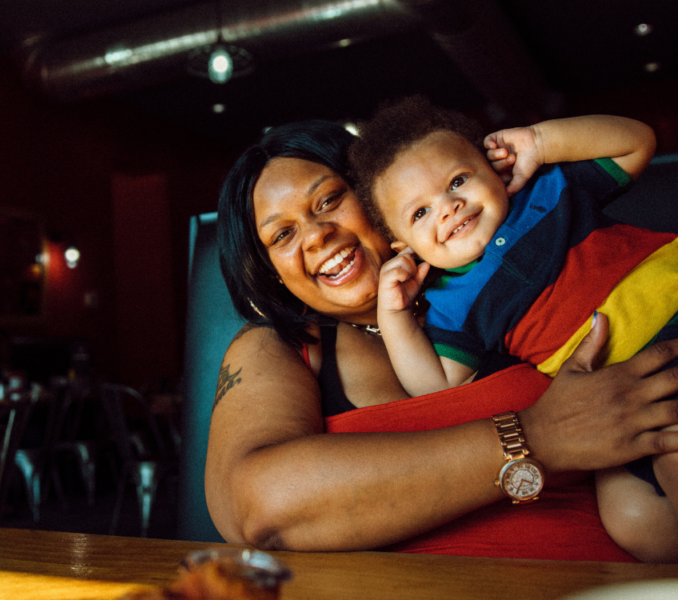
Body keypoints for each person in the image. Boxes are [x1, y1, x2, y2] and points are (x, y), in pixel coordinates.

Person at [206, 119, 678, 562]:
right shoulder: (279, 348)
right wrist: (539, 437)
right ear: (270, 272)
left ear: (378, 195)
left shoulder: (496, 271)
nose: (316, 236)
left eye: (329, 201)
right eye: (283, 234)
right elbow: (259, 508)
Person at [347, 96, 678, 562]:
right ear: (403, 244)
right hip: (620, 395)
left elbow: (636, 142)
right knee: (635, 523)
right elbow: (436, 383)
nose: (448, 208)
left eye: (458, 181)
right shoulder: (449, 301)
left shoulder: (548, 189)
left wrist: (542, 142)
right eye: (420, 213)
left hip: (670, 309)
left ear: (494, 168)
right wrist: (394, 316)